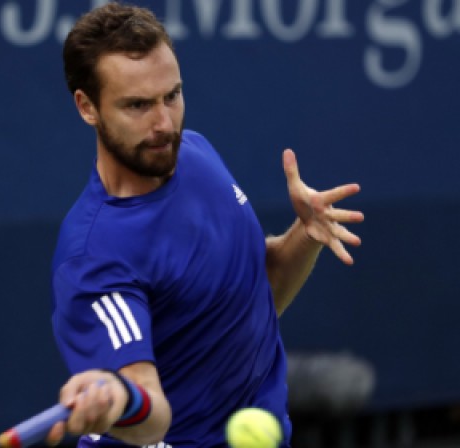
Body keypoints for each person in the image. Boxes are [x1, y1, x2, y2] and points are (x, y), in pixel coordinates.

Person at [44, 3, 364, 448]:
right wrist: (118, 396)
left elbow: (260, 292)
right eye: (137, 105)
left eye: (171, 96)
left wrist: (304, 235)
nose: (164, 125)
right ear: (87, 107)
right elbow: (151, 417)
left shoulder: (196, 154)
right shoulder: (94, 258)